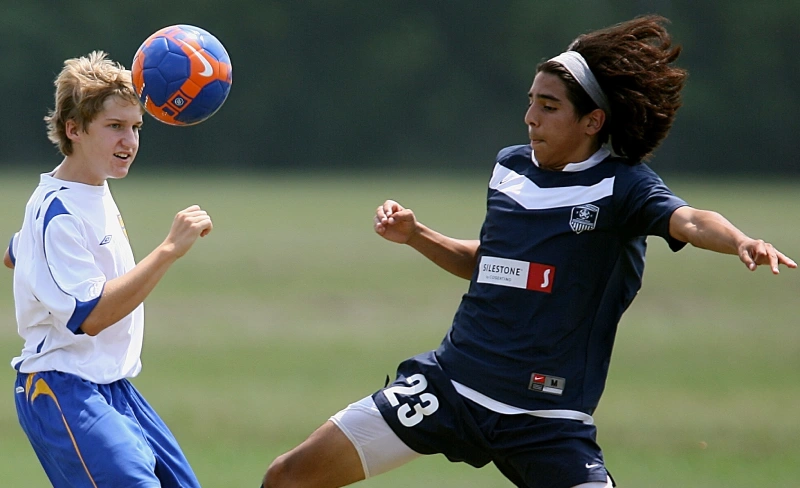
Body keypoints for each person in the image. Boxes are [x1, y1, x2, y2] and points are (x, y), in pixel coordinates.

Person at [260, 15, 796, 488]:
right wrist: (418, 234)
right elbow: (494, 265)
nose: (530, 117)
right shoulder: (510, 169)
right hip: (450, 388)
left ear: (593, 122)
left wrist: (741, 241)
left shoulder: (623, 186)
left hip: (547, 420)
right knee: (287, 478)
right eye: (530, 102)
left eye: (548, 106)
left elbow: (691, 219)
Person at [4, 51, 212, 487]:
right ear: (73, 129)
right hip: (62, 388)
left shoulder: (89, 189)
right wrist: (169, 250)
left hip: (112, 386)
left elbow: (17, 251)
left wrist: (25, 257)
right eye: (115, 127)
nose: (130, 141)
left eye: (136, 127)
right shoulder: (57, 210)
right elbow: (92, 316)